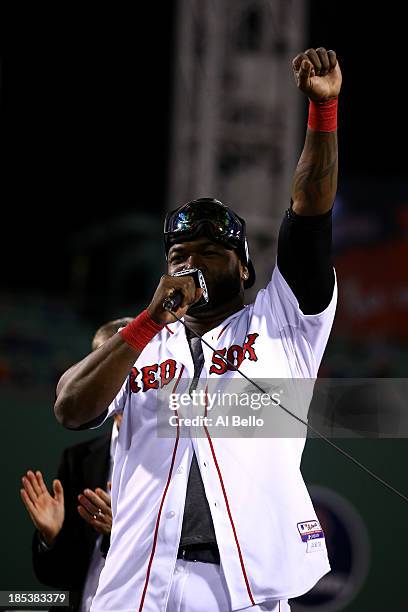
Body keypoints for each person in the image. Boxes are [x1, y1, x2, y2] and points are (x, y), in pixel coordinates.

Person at [54, 47, 342, 612]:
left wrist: (323, 113)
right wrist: (147, 322)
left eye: (212, 252)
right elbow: (70, 407)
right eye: (180, 253)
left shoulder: (282, 322)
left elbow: (309, 213)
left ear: (245, 269)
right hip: (136, 581)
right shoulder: (138, 338)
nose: (192, 263)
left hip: (238, 588)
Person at [20, 317, 133, 612]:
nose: (116, 375)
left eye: (127, 361)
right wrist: (52, 537)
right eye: (103, 363)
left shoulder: (178, 456)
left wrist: (121, 533)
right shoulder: (79, 459)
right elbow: (58, 576)